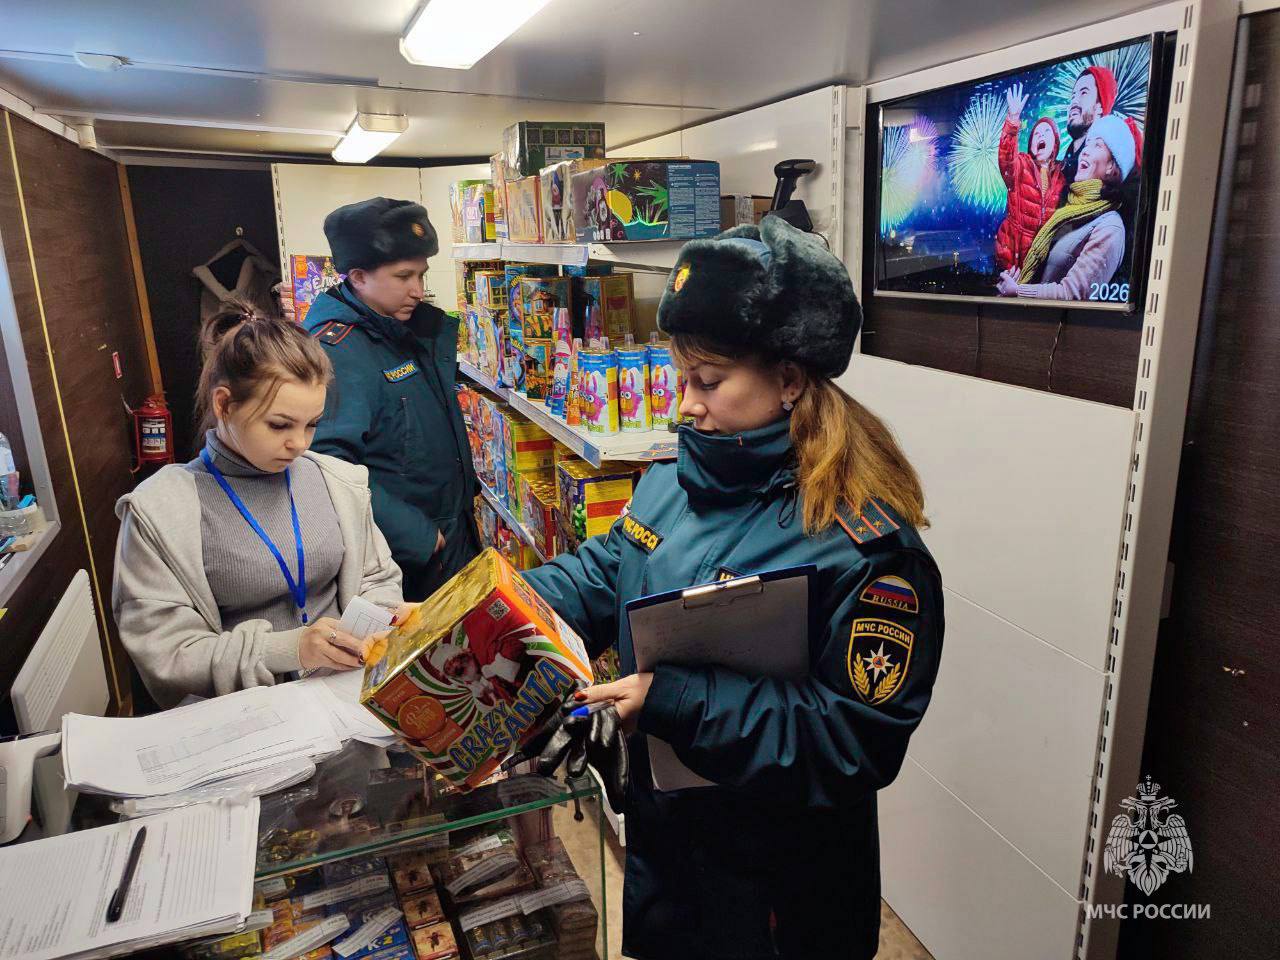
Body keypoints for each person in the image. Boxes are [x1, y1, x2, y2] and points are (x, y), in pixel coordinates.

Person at [523, 216, 945, 960]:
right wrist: (494, 605)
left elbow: (851, 742)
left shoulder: (870, 552)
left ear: (788, 379)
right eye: (682, 378)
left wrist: (673, 700)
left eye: (707, 382)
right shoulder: (674, 483)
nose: (684, 404)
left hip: (780, 892)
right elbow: (603, 571)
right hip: (672, 856)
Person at [112, 305, 404, 708]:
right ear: (224, 405)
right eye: (280, 425)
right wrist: (291, 649)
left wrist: (382, 616)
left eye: (312, 423)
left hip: (345, 705)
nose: (300, 444)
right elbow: (167, 652)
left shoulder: (339, 482)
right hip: (240, 723)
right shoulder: (158, 511)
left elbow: (375, 577)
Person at [304, 198, 481, 601]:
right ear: (358, 276)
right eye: (404, 276)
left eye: (421, 274)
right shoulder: (336, 353)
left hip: (451, 537)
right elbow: (326, 466)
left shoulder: (407, 330)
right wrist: (418, 536)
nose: (418, 291)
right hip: (403, 559)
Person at [997, 113, 1143, 300]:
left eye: (1097, 145)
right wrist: (1015, 283)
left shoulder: (1110, 227)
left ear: (1112, 167)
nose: (1085, 151)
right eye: (1087, 143)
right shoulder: (1068, 211)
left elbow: (1073, 292)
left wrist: (1019, 291)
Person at [995, 81, 1066, 272]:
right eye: (1036, 134)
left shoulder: (1062, 177)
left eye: (1046, 132)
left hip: (1044, 262)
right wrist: (1013, 120)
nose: (1041, 135)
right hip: (1013, 259)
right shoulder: (1021, 166)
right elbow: (1006, 159)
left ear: (1055, 144)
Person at [1060, 65, 1118, 185]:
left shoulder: (1102, 170)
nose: (1074, 101)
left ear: (1100, 107)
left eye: (1084, 93)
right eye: (1073, 96)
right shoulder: (1062, 166)